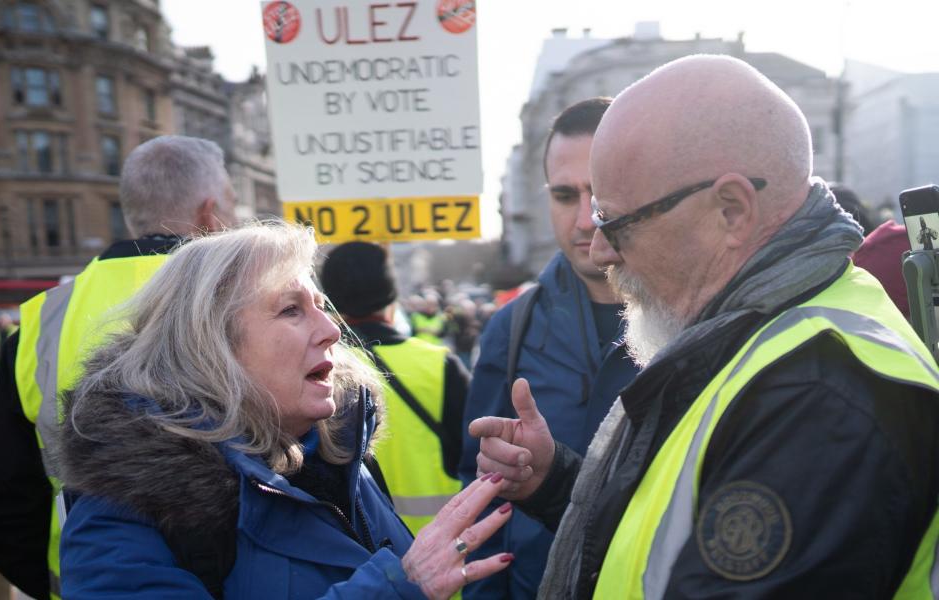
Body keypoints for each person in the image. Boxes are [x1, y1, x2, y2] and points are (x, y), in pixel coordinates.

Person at [470, 55, 939, 599]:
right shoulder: (768, 344)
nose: (599, 251)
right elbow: (670, 534)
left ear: (731, 211)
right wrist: (555, 485)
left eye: (615, 222)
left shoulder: (814, 391)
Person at [56, 222, 514, 599]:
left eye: (321, 305)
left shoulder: (340, 450)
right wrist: (398, 588)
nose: (332, 331)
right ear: (211, 347)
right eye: (291, 310)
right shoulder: (123, 509)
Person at [0, 135, 238, 600]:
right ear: (210, 212)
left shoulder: (42, 321)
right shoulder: (251, 304)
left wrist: (60, 583)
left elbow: (1, 502)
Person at [458, 97, 638, 599]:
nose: (586, 220)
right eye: (564, 195)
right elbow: (477, 501)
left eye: (600, 193)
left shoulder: (700, 323)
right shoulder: (510, 329)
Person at [319, 241, 470, 534]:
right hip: (443, 547)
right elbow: (475, 457)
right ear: (392, 295)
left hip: (360, 551)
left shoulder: (324, 367)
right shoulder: (440, 364)